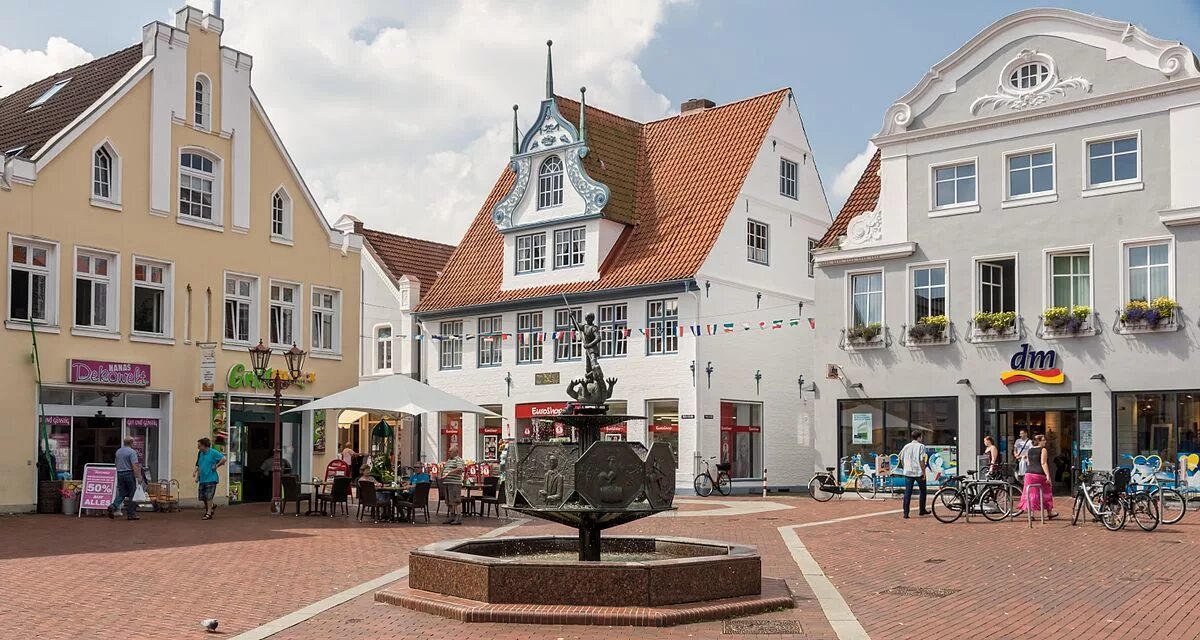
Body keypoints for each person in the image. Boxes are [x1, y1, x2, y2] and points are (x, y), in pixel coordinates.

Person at [1018, 434, 1057, 518]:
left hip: (1029, 474)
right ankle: (1049, 512)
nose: (1045, 441)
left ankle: (1031, 514)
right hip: (1039, 473)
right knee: (1046, 491)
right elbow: (1043, 463)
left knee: (1030, 493)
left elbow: (1029, 462)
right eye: (1043, 440)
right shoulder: (1043, 450)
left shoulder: (1030, 450)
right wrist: (1047, 475)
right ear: (1039, 441)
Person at [109, 437, 144, 521]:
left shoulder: (118, 451)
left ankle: (113, 506)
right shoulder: (132, 452)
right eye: (134, 442)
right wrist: (138, 476)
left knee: (122, 493)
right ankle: (131, 514)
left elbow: (116, 464)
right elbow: (134, 465)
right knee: (132, 493)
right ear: (131, 443)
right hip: (129, 473)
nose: (135, 444)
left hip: (120, 473)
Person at [898, 430, 929, 519]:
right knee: (923, 491)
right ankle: (922, 510)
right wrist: (924, 472)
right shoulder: (921, 446)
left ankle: (906, 513)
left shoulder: (906, 446)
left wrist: (905, 467)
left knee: (908, 492)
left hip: (908, 472)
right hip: (918, 472)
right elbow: (921, 460)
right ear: (919, 437)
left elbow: (901, 458)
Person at [194, 437, 226, 520]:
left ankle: (208, 513)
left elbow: (223, 459)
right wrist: (197, 476)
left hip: (211, 478)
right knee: (203, 497)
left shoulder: (213, 452)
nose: (198, 447)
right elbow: (200, 465)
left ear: (205, 446)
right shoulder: (201, 453)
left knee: (209, 497)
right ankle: (211, 506)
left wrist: (216, 466)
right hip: (203, 478)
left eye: (199, 446)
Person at [441, 445, 465, 525]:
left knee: (456, 501)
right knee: (449, 501)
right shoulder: (448, 460)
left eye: (450, 451)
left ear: (456, 452)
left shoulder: (458, 460)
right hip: (447, 483)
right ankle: (452, 516)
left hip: (454, 483)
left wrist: (449, 473)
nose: (449, 453)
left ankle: (458, 518)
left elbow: (460, 469)